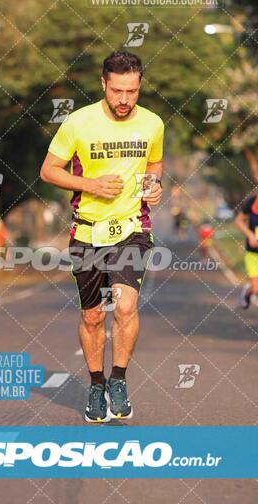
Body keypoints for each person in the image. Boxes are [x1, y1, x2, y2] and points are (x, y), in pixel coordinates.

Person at [40, 50, 164, 422]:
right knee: (93, 316)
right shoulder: (78, 123)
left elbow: (153, 164)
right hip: (88, 230)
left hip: (132, 228)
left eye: (132, 91)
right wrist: (89, 184)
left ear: (140, 85)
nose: (124, 100)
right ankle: (96, 384)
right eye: (116, 91)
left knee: (125, 307)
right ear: (103, 85)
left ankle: (119, 379)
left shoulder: (153, 124)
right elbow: (49, 171)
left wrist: (153, 185)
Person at [235, 195, 258, 309]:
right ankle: (247, 294)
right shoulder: (251, 202)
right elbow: (239, 221)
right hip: (253, 253)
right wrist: (250, 235)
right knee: (256, 288)